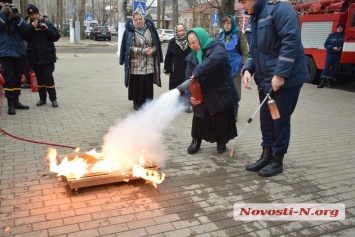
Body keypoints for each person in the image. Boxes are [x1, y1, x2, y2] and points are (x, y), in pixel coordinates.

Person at [240, 0, 309, 177]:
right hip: (265, 81)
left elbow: (291, 40)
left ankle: (277, 160)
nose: (242, 6)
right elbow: (254, 50)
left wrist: (280, 74)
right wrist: (248, 68)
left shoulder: (280, 9)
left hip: (285, 81)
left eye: (243, 1)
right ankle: (266, 155)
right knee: (266, 120)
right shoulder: (254, 19)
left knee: (279, 120)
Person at [184, 27, 239, 154]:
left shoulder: (217, 46)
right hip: (202, 93)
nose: (193, 46)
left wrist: (196, 72)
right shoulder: (191, 57)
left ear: (201, 38)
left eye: (195, 42)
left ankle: (221, 141)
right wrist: (189, 97)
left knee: (221, 118)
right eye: (190, 43)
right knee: (199, 117)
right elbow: (187, 79)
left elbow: (214, 60)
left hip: (220, 91)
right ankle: (196, 141)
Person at [119, 12, 163, 111]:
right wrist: (141, 50)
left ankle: (147, 103)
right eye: (136, 19)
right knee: (137, 84)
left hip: (149, 62)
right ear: (133, 21)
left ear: (143, 19)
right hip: (136, 64)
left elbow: (156, 44)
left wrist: (153, 50)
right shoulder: (129, 31)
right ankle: (137, 102)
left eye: (140, 19)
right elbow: (128, 47)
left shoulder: (150, 29)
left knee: (147, 84)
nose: (138, 21)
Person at [23, 4, 60, 108]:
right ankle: (42, 99)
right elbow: (25, 37)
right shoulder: (28, 26)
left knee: (48, 77)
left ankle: (53, 99)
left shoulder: (47, 23)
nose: (33, 16)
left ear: (38, 14)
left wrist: (47, 29)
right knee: (40, 80)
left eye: (35, 14)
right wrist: (31, 27)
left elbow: (56, 36)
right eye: (31, 15)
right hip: (34, 58)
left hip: (48, 57)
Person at [0, 0, 29, 115]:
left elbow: (25, 30)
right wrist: (2, 14)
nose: (7, 7)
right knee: (9, 80)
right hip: (5, 53)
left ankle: (16, 101)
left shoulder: (17, 15)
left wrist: (16, 17)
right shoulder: (1, 16)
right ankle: (10, 105)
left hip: (19, 52)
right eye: (4, 4)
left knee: (18, 79)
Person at [220, 15, 248, 121]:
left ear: (232, 23)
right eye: (225, 23)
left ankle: (234, 113)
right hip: (223, 68)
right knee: (224, 91)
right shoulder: (221, 35)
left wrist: (244, 67)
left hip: (236, 68)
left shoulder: (239, 34)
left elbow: (245, 52)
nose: (227, 26)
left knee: (235, 91)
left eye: (229, 23)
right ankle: (226, 112)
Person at [163, 23, 192, 112]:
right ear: (176, 32)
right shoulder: (172, 42)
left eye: (183, 30)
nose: (181, 33)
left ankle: (186, 105)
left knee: (187, 86)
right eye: (179, 31)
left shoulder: (190, 41)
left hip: (187, 67)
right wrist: (167, 68)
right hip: (175, 69)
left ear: (185, 30)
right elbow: (168, 56)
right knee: (175, 87)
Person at [317, 23, 344, 89]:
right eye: (338, 28)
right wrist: (332, 47)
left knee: (334, 69)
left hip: (338, 55)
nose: (339, 29)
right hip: (330, 54)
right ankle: (322, 83)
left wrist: (341, 48)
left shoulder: (344, 36)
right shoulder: (331, 35)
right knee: (326, 68)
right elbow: (325, 45)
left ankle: (329, 82)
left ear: (343, 29)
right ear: (336, 28)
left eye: (341, 28)